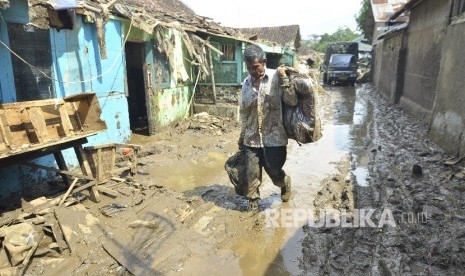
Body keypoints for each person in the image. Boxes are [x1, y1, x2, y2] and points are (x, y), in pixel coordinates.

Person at [237, 44, 297, 212]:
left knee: (274, 172)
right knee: (251, 175)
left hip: (274, 137)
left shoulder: (276, 78)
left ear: (264, 62)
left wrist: (285, 79)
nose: (252, 71)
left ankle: (284, 183)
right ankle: (253, 204)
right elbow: (243, 112)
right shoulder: (246, 83)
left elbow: (292, 101)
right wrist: (242, 135)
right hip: (252, 137)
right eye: (249, 68)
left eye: (255, 67)